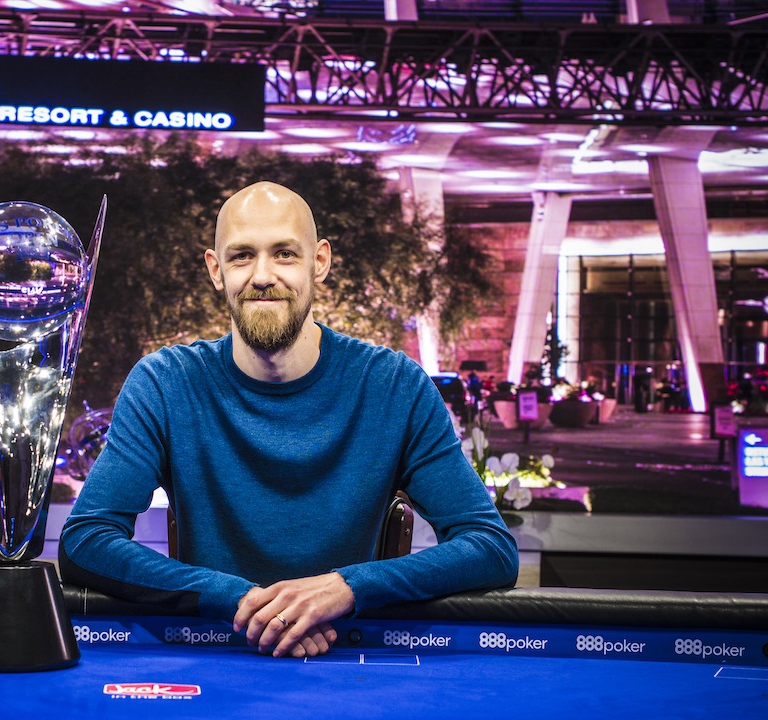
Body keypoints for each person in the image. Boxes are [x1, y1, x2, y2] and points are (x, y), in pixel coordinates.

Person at [58, 181, 518, 659]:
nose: (262, 275)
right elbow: (86, 541)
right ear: (216, 271)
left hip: (350, 660)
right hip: (215, 653)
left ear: (319, 262)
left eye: (283, 254)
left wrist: (345, 588)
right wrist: (238, 600)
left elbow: (489, 546)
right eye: (241, 256)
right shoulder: (164, 383)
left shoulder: (393, 385)